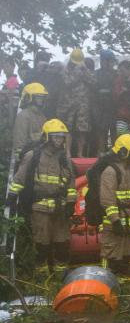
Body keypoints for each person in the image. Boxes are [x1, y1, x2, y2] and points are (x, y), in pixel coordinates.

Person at [7, 119, 77, 278]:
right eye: (56, 136)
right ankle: (41, 279)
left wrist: (71, 202)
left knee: (62, 243)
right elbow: (20, 178)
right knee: (41, 244)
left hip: (60, 208)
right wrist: (12, 195)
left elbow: (71, 184)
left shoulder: (65, 159)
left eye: (61, 137)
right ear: (47, 137)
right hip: (40, 208)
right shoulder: (33, 156)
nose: (59, 140)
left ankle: (61, 277)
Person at [99, 134, 130, 275]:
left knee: (126, 255)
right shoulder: (110, 172)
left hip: (129, 221)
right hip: (115, 222)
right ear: (124, 153)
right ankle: (106, 284)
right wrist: (115, 220)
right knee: (111, 254)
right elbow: (107, 200)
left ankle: (121, 285)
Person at [57, 48, 96, 158]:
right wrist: (77, 72)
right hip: (68, 104)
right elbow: (67, 82)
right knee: (67, 128)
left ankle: (80, 153)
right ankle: (68, 152)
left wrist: (85, 71)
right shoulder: (65, 70)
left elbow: (93, 82)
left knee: (82, 129)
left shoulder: (85, 70)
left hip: (83, 104)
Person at [11, 83, 48, 156]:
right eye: (38, 97)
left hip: (40, 154)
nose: (41, 100)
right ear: (29, 98)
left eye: (42, 97)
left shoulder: (42, 116)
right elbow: (20, 142)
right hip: (28, 156)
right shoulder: (23, 116)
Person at [94, 49, 118, 152]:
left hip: (114, 107)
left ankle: (115, 153)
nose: (110, 63)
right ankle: (101, 153)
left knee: (114, 131)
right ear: (103, 61)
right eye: (107, 60)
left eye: (111, 61)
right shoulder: (96, 74)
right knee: (101, 132)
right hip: (100, 107)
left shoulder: (117, 74)